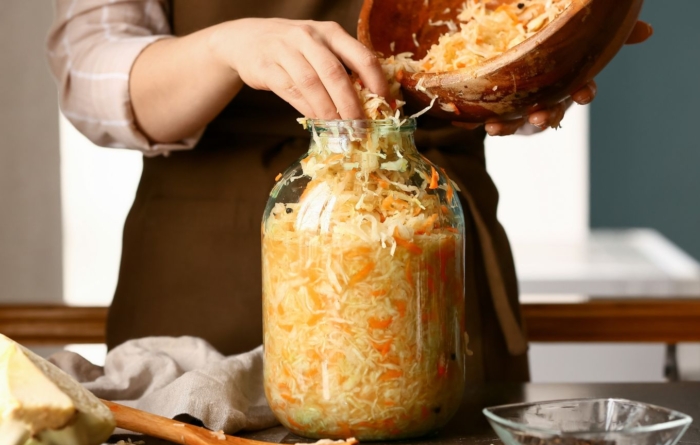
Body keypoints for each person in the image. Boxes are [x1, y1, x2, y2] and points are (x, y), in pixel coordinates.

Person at [47, 1, 651, 383]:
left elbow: (489, 23)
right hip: (201, 278)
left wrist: (522, 70)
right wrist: (221, 48)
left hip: (429, 245)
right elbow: (91, 72)